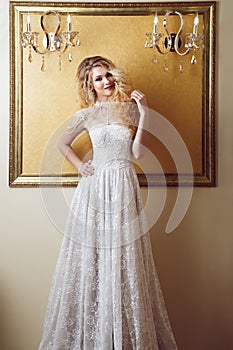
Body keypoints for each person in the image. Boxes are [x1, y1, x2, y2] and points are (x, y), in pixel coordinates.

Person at [38, 56, 178, 350]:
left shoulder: (130, 111)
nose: (106, 82)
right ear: (90, 85)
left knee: (125, 257)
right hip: (95, 188)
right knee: (93, 256)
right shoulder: (88, 114)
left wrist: (144, 113)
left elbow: (138, 153)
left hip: (124, 184)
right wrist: (80, 166)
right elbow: (61, 143)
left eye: (108, 75)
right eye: (98, 79)